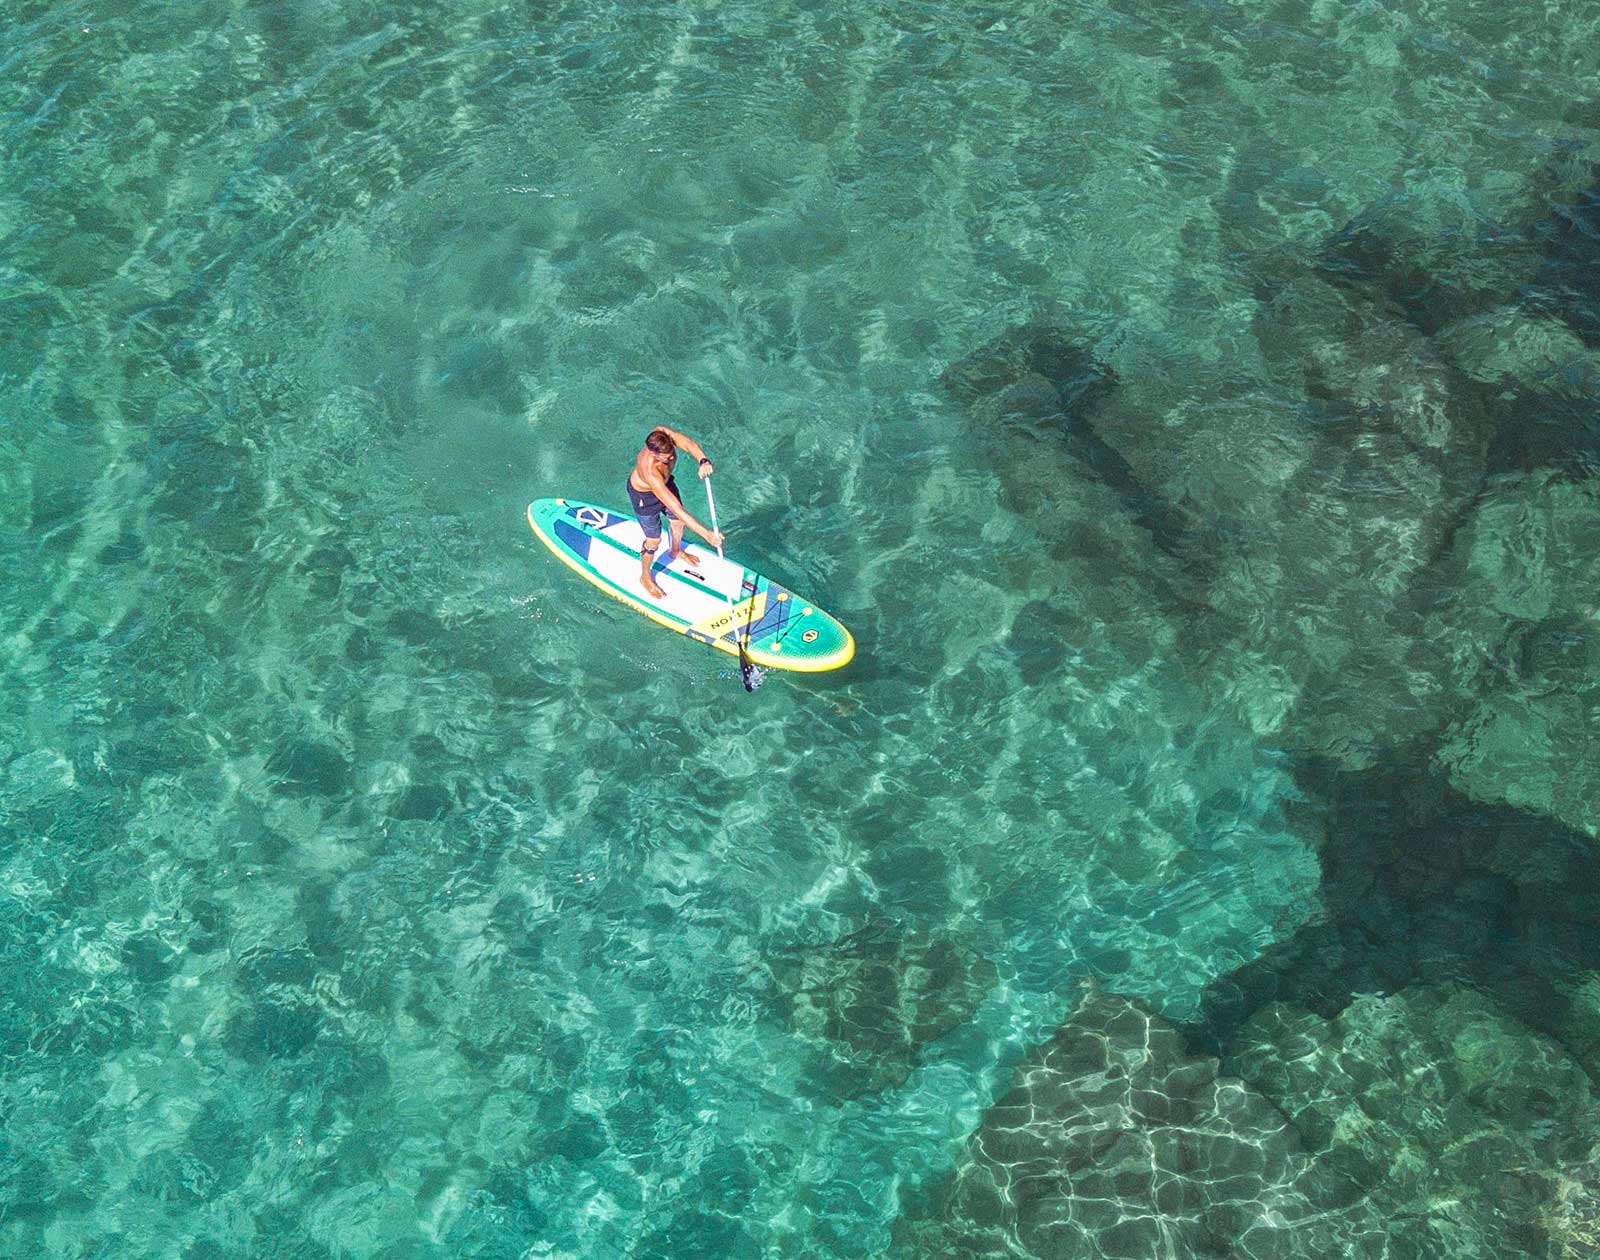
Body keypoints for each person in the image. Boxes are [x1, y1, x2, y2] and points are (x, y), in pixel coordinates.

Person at [627, 426, 724, 599]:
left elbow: (687, 443)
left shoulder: (663, 435)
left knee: (677, 522)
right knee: (653, 540)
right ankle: (645, 576)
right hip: (644, 498)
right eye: (667, 457)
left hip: (666, 484)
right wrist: (707, 535)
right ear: (655, 455)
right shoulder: (650, 471)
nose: (672, 457)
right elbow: (677, 509)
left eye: (672, 452)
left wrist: (702, 460)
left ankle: (676, 551)